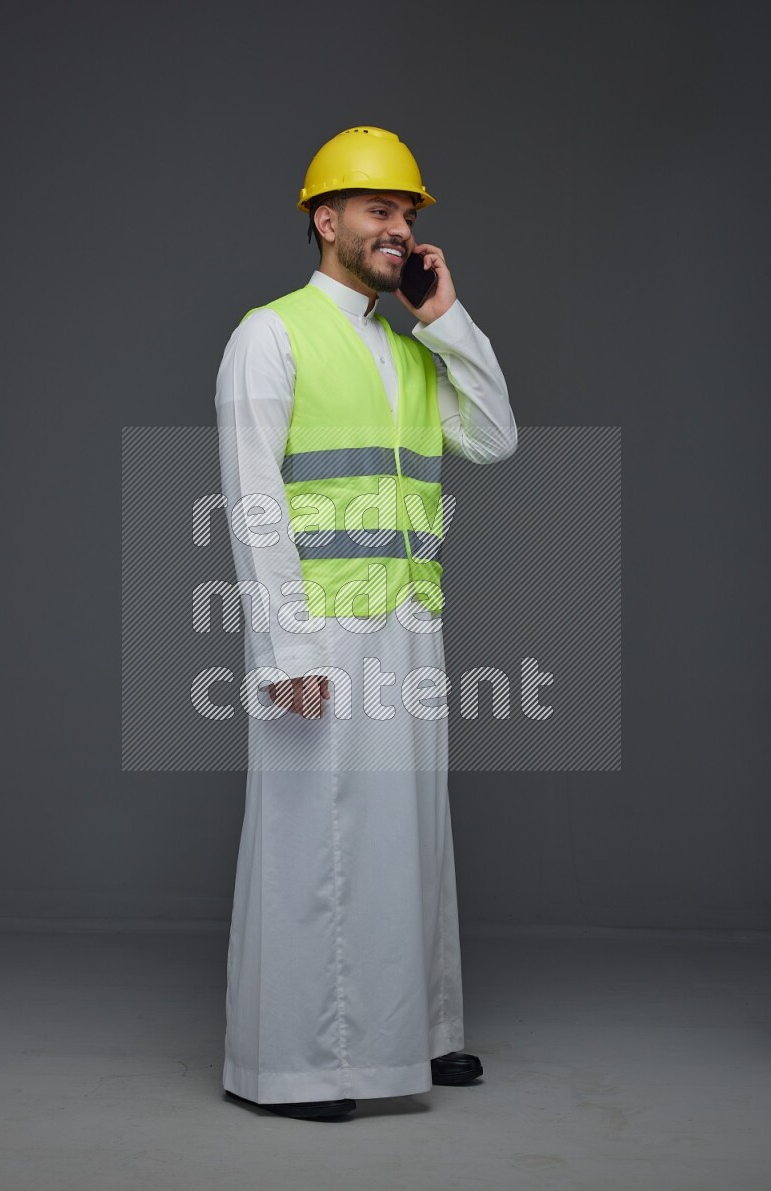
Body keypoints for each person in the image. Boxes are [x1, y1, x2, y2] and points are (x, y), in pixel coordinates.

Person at [214, 126, 518, 1121]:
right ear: (325, 218)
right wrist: (284, 644)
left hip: (407, 627)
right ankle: (301, 1065)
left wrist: (448, 317)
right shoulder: (272, 332)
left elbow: (492, 436)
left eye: (410, 215)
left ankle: (414, 1035)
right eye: (380, 210)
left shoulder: (409, 346)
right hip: (324, 634)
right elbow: (256, 500)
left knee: (408, 838)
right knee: (318, 843)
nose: (399, 228)